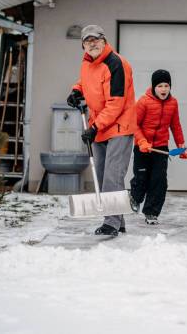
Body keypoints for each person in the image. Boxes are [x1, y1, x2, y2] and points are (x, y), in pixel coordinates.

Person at [66, 25, 138, 237]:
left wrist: (94, 127)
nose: (92, 44)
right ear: (83, 45)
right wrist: (76, 90)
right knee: (101, 173)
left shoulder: (116, 64)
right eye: (88, 41)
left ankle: (111, 224)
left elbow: (116, 103)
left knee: (112, 176)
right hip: (100, 125)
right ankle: (119, 219)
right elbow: (87, 81)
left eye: (96, 40)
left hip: (118, 126)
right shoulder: (88, 62)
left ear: (104, 41)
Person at [130, 69, 187, 225]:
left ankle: (151, 212)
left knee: (159, 181)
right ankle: (135, 198)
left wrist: (181, 146)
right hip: (143, 147)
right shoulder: (143, 102)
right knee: (141, 178)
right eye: (160, 86)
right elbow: (133, 125)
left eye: (166, 85)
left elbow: (176, 126)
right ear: (153, 87)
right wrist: (142, 141)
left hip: (161, 148)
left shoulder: (173, 103)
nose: (163, 89)